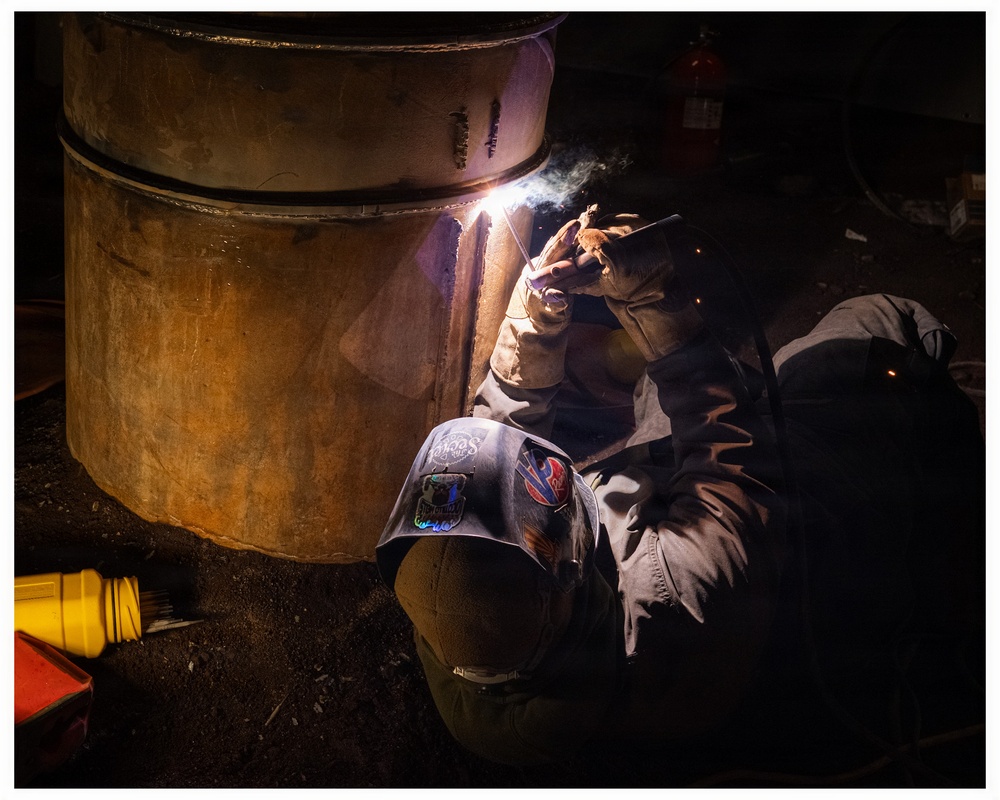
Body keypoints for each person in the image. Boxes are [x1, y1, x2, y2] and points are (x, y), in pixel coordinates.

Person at [375, 210, 985, 769]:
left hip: (666, 505)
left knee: (652, 388)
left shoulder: (461, 618)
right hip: (784, 529)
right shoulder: (671, 606)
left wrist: (536, 319)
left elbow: (496, 456)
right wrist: (654, 299)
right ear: (564, 569)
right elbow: (734, 461)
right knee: (872, 327)